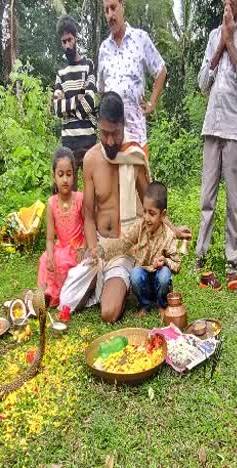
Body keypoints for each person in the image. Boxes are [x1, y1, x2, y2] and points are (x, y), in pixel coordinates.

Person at [60, 91, 190, 323]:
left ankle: (125, 280)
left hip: (124, 247)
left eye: (115, 133)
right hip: (100, 245)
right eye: (104, 134)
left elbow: (152, 204)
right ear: (98, 126)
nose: (109, 141)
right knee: (66, 301)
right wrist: (91, 250)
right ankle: (112, 281)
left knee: (108, 313)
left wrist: (173, 230)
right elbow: (88, 215)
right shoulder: (90, 160)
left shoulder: (133, 157)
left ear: (124, 125)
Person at [195, 0, 237, 291]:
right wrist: (220, 43)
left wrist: (231, 41)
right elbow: (202, 82)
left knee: (235, 200)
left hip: (234, 128)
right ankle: (202, 257)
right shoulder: (211, 37)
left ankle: (233, 262)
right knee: (207, 197)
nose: (228, 3)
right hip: (212, 126)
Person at [101, 182, 181, 318]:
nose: (146, 218)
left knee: (164, 275)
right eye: (144, 211)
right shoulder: (140, 226)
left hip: (158, 279)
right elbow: (124, 242)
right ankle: (144, 304)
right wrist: (102, 250)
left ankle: (161, 304)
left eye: (152, 213)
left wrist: (165, 261)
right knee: (135, 274)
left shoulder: (168, 235)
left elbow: (177, 265)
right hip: (143, 277)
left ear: (163, 215)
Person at [98, 0, 167, 152]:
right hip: (112, 143)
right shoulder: (104, 48)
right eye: (106, 10)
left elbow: (161, 70)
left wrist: (152, 103)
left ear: (123, 6)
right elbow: (101, 90)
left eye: (113, 8)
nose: (110, 14)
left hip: (136, 136)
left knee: (140, 176)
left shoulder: (140, 38)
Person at [52, 15, 97, 191]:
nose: (67, 45)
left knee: (91, 194)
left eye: (69, 40)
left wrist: (67, 105)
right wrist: (77, 97)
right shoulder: (61, 73)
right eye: (63, 42)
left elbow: (90, 104)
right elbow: (56, 108)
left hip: (89, 143)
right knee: (68, 195)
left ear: (76, 38)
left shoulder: (89, 66)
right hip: (68, 145)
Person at [38, 147, 85, 308]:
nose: (65, 179)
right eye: (61, 174)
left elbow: (88, 228)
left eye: (69, 174)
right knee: (45, 259)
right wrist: (50, 255)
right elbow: (50, 239)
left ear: (74, 175)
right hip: (60, 247)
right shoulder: (51, 203)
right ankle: (44, 295)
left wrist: (84, 247)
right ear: (54, 176)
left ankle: (58, 296)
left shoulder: (80, 199)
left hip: (76, 248)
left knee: (63, 261)